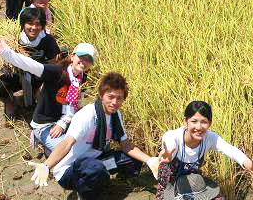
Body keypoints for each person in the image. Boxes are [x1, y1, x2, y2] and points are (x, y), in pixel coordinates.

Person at [23, 71, 157, 200]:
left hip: (95, 160)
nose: (114, 102)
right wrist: (47, 165)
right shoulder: (87, 114)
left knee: (132, 160)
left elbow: (126, 145)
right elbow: (66, 143)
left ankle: (105, 183)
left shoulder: (117, 115)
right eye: (110, 97)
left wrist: (150, 160)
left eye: (119, 98)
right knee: (96, 169)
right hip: (70, 170)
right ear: (101, 95)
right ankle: (86, 193)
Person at [0, 36, 94, 154]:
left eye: (88, 59)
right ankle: (43, 141)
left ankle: (53, 145)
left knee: (88, 142)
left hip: (63, 120)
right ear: (72, 56)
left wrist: (63, 123)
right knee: (69, 152)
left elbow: (74, 104)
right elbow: (29, 64)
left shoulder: (81, 79)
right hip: (45, 124)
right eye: (81, 57)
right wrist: (6, 52)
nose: (84, 62)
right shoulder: (56, 72)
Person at [156, 101, 253, 199]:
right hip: (171, 185)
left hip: (193, 184)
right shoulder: (174, 136)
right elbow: (170, 145)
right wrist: (168, 155)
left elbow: (230, 150)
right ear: (186, 121)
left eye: (204, 122)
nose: (199, 127)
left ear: (209, 123)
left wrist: (247, 163)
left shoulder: (209, 138)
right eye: (194, 121)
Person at [0, 7, 60, 117]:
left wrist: (43, 84)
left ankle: (36, 95)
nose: (34, 28)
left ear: (42, 26)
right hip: (17, 76)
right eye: (30, 23)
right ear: (23, 24)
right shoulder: (14, 38)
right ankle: (10, 102)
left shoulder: (48, 40)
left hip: (38, 77)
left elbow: (53, 66)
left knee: (46, 93)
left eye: (38, 24)